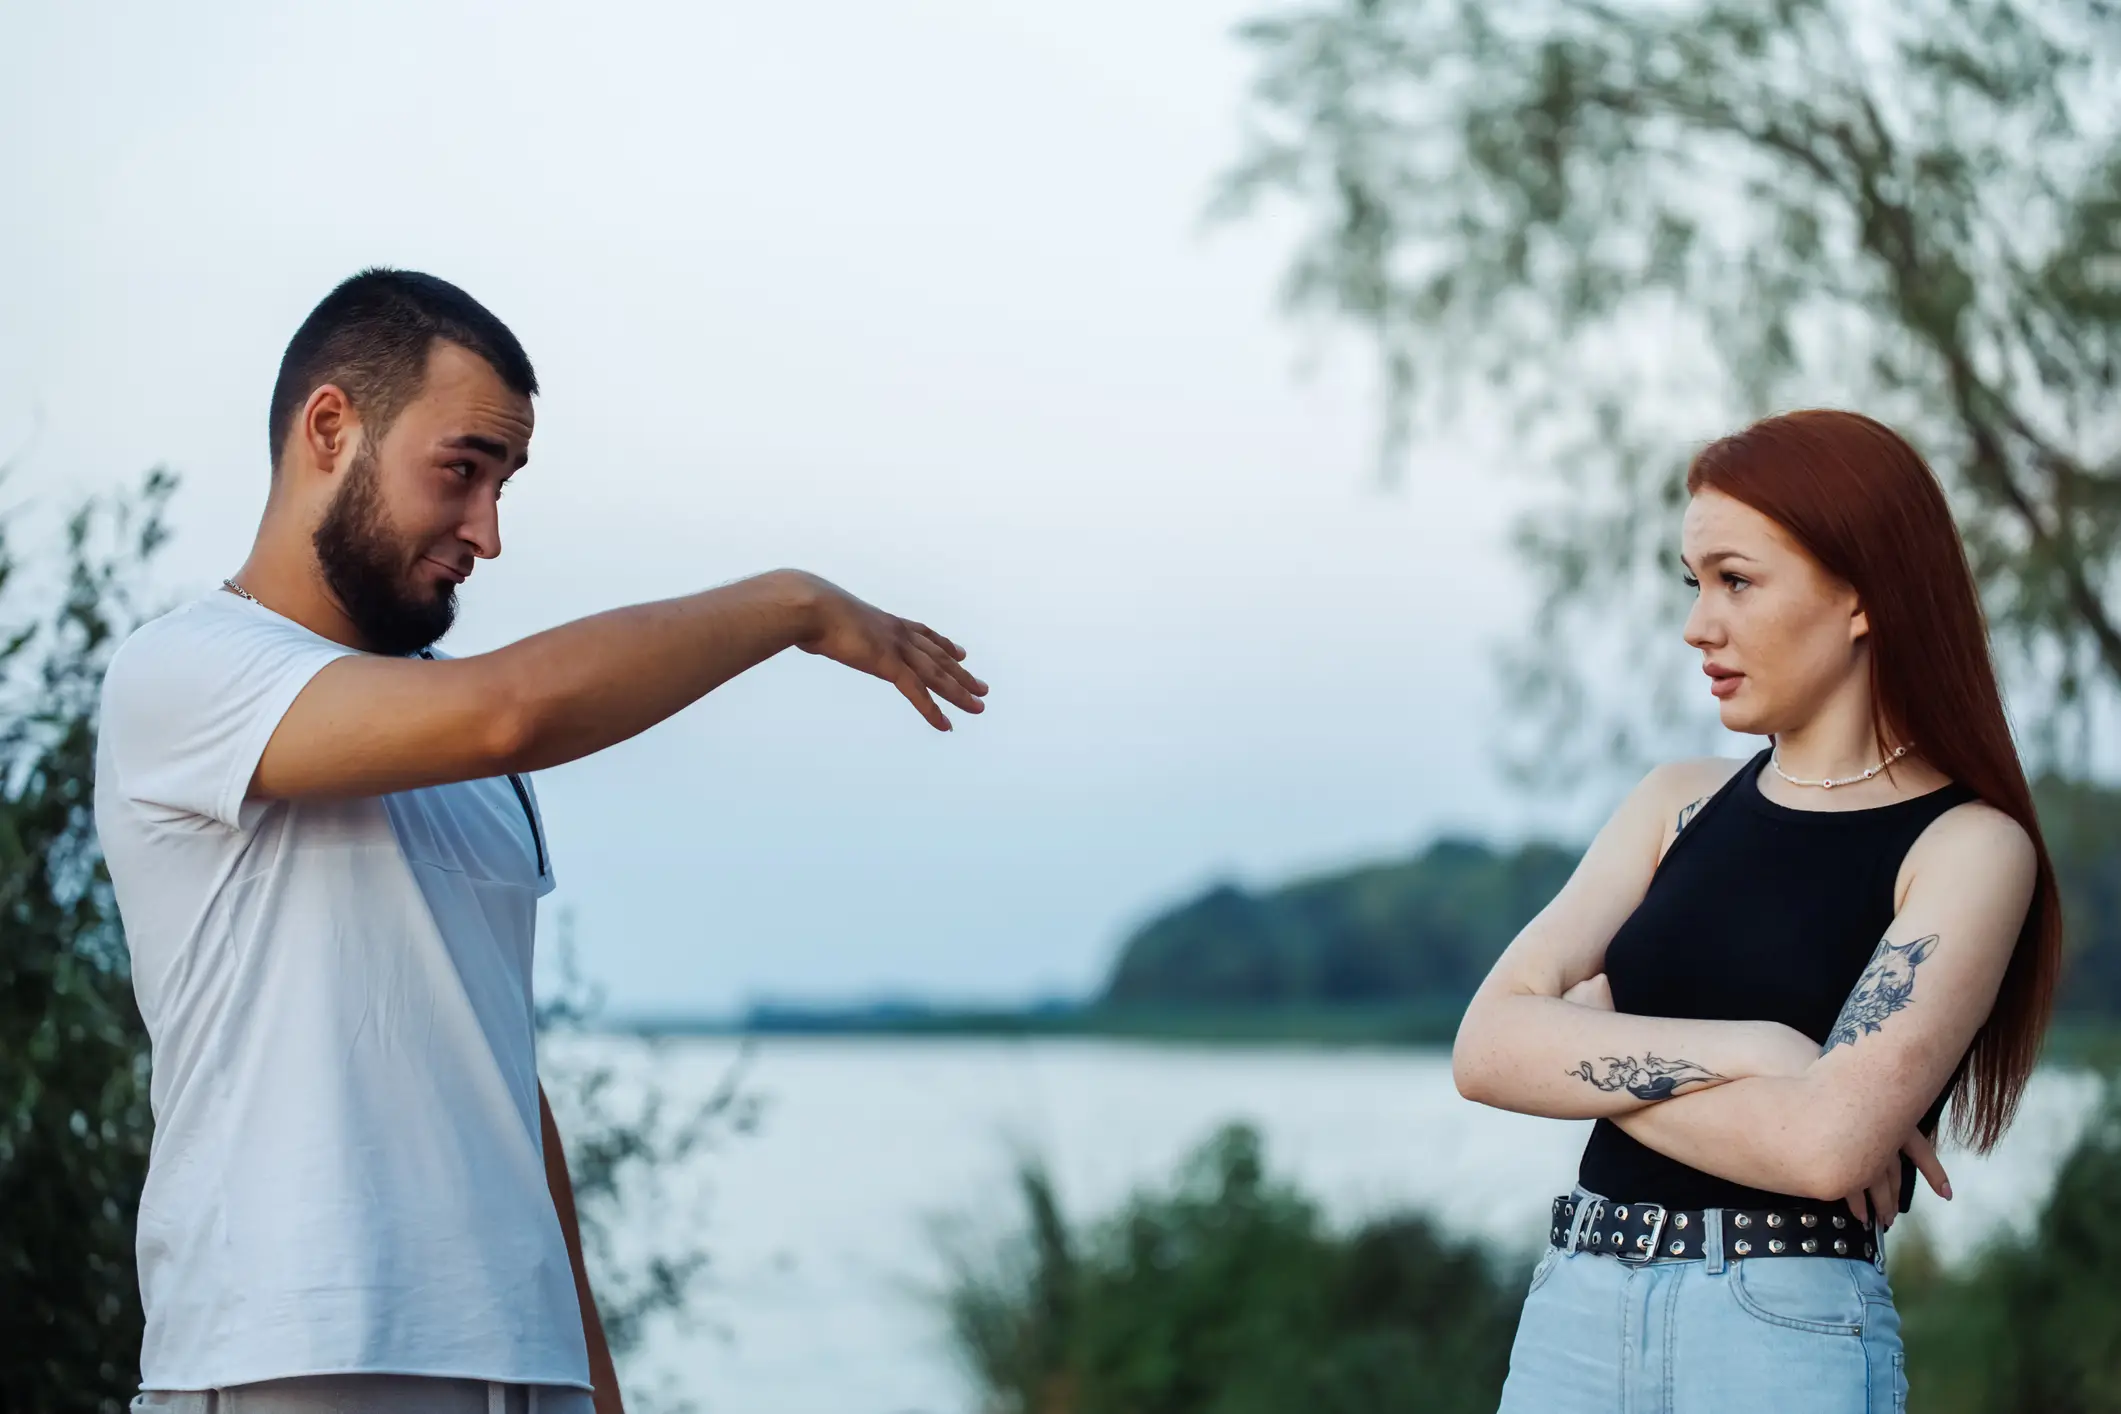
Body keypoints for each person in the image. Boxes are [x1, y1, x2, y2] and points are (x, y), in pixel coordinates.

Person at [95, 268, 988, 1414]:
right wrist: (790, 605)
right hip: (293, 1353)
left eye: (505, 483)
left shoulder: (470, 756)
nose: (488, 531)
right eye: (462, 470)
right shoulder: (185, 671)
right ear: (330, 429)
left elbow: (498, 1072)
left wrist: (594, 1379)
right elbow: (509, 709)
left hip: (522, 1365)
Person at [1452, 409, 2059, 1413]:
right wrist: (1763, 1052)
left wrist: (1587, 1038)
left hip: (1776, 1330)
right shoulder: (1674, 803)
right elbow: (1484, 1048)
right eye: (1692, 583)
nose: (1698, 625)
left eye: (1735, 580)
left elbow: (1823, 1148)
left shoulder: (1969, 848)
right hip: (1574, 1315)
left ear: (1860, 594)